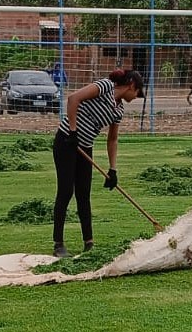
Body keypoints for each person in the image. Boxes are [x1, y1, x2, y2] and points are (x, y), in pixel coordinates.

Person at [52, 68, 145, 258]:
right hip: (67, 142)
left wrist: (113, 170)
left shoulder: (118, 110)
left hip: (85, 146)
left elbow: (112, 140)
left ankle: (89, 243)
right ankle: (58, 244)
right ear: (131, 85)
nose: (136, 97)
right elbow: (73, 99)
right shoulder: (105, 86)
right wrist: (72, 131)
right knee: (66, 191)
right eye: (137, 93)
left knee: (84, 194)